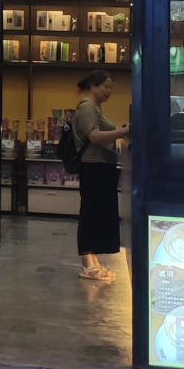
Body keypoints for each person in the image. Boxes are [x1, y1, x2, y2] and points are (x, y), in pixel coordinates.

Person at [71, 70, 129, 281]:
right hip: (93, 167)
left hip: (102, 166)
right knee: (90, 213)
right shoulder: (86, 107)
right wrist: (122, 132)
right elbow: (94, 137)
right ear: (93, 86)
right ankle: (87, 262)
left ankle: (93, 260)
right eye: (105, 86)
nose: (109, 91)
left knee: (96, 214)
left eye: (111, 87)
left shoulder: (95, 108)